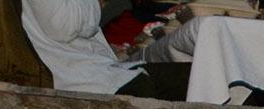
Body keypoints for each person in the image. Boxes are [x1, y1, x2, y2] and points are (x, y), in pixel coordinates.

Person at [18, 0, 188, 96]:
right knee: (196, 82)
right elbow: (62, 25)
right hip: (80, 81)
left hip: (100, 74)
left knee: (200, 75)